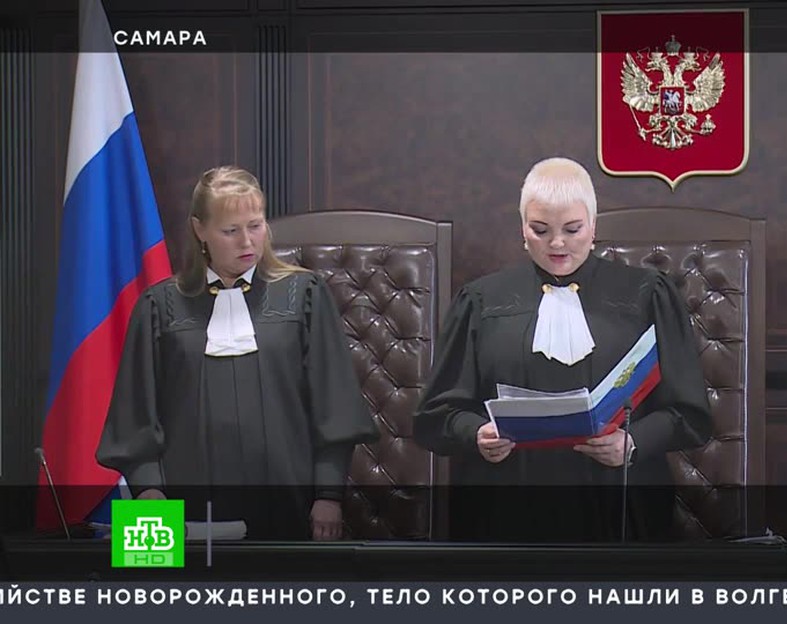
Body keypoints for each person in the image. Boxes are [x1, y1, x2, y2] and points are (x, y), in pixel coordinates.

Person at [414, 157, 713, 542]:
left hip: (619, 504)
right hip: (507, 506)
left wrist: (633, 441)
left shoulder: (647, 295)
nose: (557, 243)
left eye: (572, 229)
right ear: (523, 228)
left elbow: (690, 414)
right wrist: (476, 433)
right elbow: (435, 416)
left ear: (593, 225)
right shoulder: (480, 301)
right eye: (540, 230)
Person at [96, 166, 379, 540]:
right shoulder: (158, 305)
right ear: (200, 230)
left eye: (256, 226)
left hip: (286, 499)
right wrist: (147, 490)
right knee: (158, 578)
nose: (247, 242)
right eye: (230, 231)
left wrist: (329, 495)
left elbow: (334, 404)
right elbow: (136, 413)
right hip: (175, 503)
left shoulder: (305, 294)